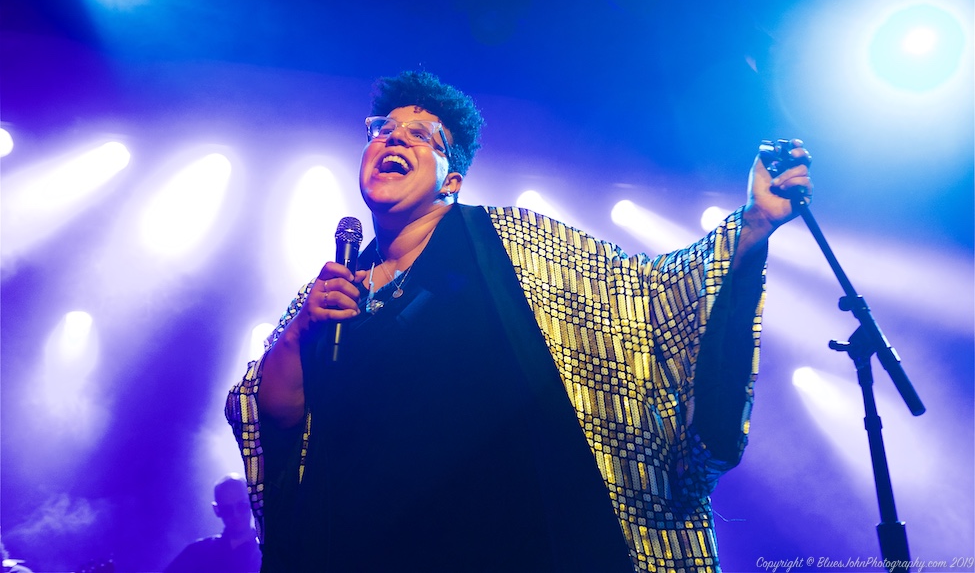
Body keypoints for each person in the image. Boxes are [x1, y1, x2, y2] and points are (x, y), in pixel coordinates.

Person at [226, 70, 812, 572]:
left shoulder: (515, 243)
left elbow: (649, 299)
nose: (393, 138)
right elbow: (270, 416)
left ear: (451, 179)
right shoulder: (335, 285)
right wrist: (303, 327)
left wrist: (755, 222)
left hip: (511, 537)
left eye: (420, 135)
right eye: (382, 130)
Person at [163, 473, 261, 573]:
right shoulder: (198, 552)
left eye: (241, 506)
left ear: (252, 502)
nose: (236, 514)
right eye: (228, 510)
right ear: (217, 510)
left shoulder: (267, 554)